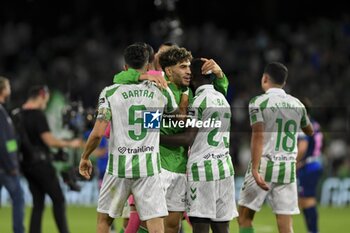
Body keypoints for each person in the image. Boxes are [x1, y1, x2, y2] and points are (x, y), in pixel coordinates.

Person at [114, 45, 229, 233]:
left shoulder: (194, 92)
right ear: (168, 71)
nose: (188, 71)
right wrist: (142, 76)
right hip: (157, 165)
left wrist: (220, 73)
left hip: (181, 166)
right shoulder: (156, 88)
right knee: (148, 222)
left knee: (173, 224)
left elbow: (219, 93)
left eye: (189, 67)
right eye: (183, 67)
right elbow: (119, 79)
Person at [79, 42, 173, 233]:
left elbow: (97, 133)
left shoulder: (110, 93)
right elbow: (173, 109)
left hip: (118, 170)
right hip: (148, 169)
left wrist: (85, 157)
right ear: (148, 66)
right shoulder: (160, 90)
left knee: (104, 221)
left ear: (125, 67)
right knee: (156, 226)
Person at [160, 58, 238, 233]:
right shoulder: (223, 99)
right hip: (225, 169)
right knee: (221, 227)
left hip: (203, 171)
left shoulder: (198, 102)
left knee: (200, 225)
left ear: (195, 76)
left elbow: (188, 138)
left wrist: (156, 138)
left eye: (189, 71)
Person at [238, 62, 314, 233]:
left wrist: (255, 169)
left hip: (265, 164)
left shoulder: (258, 102)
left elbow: (258, 135)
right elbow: (309, 131)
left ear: (265, 78)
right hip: (287, 167)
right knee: (285, 223)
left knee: (244, 217)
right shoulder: (297, 104)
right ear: (284, 83)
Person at [16, 85, 81, 233]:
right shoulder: (38, 115)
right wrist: (70, 143)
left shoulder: (18, 114)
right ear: (41, 96)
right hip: (41, 165)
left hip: (26, 165)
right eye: (46, 98)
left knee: (38, 204)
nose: (46, 102)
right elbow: (49, 141)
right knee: (58, 199)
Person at [0, 77, 25, 233]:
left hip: (3, 165)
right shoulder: (1, 113)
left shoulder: (3, 112)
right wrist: (11, 165)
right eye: (8, 87)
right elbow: (3, 142)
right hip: (5, 167)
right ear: (2, 90)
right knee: (19, 197)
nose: (10, 90)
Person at [296, 98, 323, 233]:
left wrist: (294, 163)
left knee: (307, 200)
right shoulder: (315, 123)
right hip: (316, 163)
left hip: (308, 166)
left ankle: (313, 231)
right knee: (304, 200)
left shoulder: (303, 125)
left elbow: (302, 147)